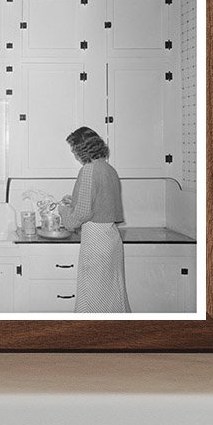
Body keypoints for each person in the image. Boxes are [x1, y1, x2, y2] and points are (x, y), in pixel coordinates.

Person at [57, 126, 131, 313]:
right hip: (111, 238)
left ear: (83, 149)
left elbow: (81, 215)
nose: (74, 155)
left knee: (93, 297)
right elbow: (99, 201)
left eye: (74, 150)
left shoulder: (89, 170)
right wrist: (73, 200)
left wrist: (63, 210)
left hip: (96, 240)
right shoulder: (109, 169)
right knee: (112, 296)